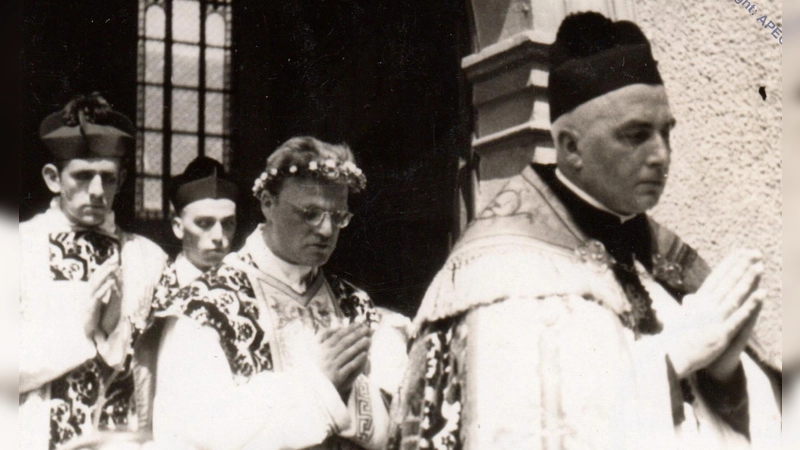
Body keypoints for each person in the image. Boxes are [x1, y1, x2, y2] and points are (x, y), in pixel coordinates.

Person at [389, 12, 780, 450]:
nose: (661, 155)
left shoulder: (663, 258)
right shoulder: (502, 274)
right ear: (570, 147)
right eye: (636, 135)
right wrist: (667, 362)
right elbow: (515, 431)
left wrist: (726, 376)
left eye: (666, 133)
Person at [150, 136, 399, 449]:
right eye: (310, 213)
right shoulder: (205, 305)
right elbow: (187, 434)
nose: (325, 230)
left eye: (338, 217)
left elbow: (398, 423)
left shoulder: (356, 306)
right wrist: (318, 385)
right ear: (268, 203)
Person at [20, 93, 167, 450]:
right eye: (83, 176)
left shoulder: (149, 258)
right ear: (53, 178)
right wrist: (85, 331)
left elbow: (162, 369)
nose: (98, 191)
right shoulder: (17, 247)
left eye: (109, 178)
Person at [132, 156, 240, 432]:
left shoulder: (245, 285)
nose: (219, 236)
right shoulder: (155, 284)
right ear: (178, 227)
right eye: (204, 223)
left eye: (228, 223)